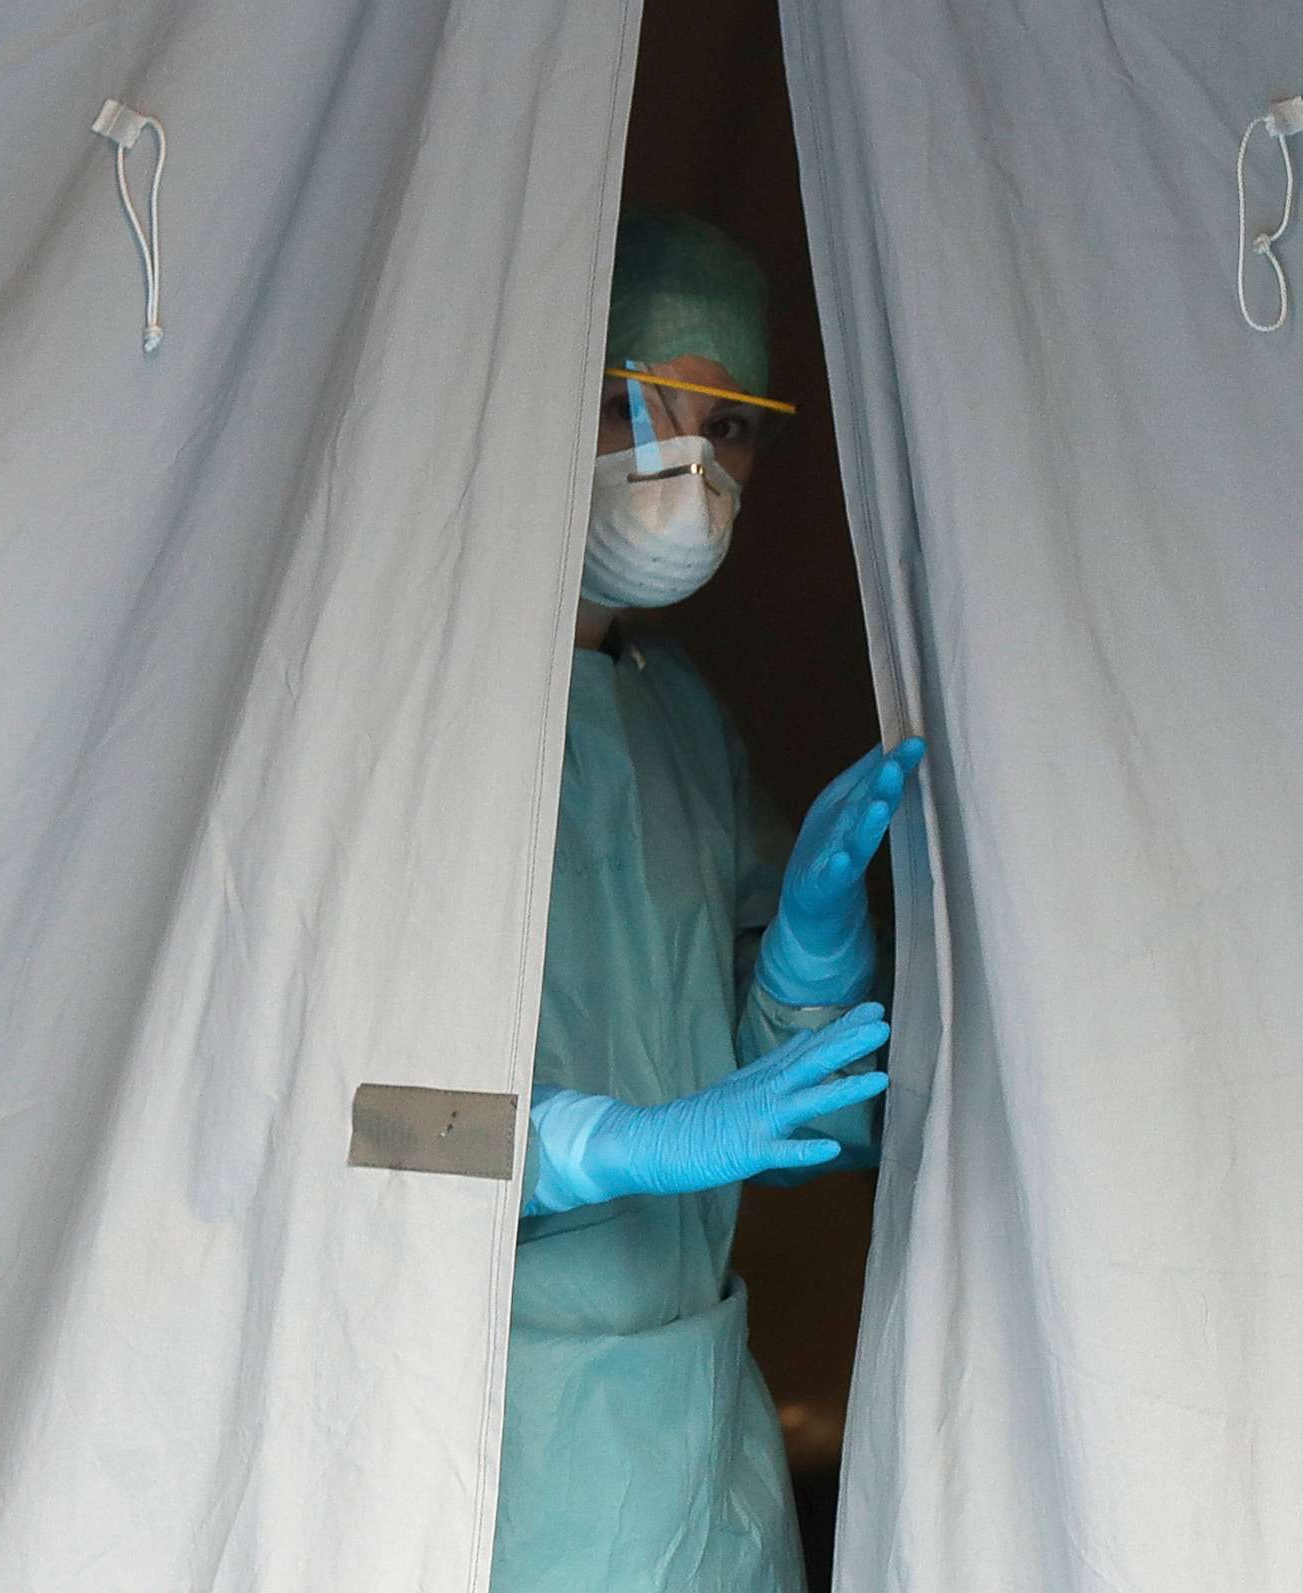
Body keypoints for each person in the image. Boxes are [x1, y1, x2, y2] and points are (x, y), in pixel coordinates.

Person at [494, 210, 928, 1593]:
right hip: (504, 1426)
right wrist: (603, 1147)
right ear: (563, 390)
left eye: (730, 426)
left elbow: (787, 1115)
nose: (696, 465)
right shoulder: (424, 712)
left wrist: (803, 956)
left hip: (695, 1434)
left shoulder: (683, 723)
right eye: (657, 405)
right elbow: (350, 1119)